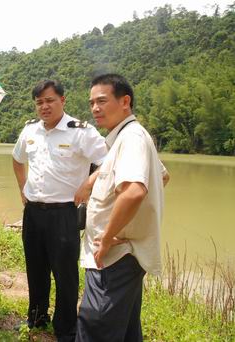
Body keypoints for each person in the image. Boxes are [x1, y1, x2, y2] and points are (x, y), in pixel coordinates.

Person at [76, 73, 170, 342]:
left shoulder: (131, 139)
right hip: (125, 253)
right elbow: (162, 176)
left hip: (113, 255)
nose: (95, 108)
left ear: (125, 101)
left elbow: (134, 191)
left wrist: (106, 238)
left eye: (102, 101)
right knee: (124, 328)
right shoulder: (127, 138)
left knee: (95, 326)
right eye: (92, 102)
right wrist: (94, 179)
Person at [12, 80, 107, 341]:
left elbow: (108, 163)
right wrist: (23, 189)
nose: (44, 106)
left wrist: (89, 183)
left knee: (65, 274)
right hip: (33, 212)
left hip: (64, 213)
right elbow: (17, 159)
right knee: (35, 267)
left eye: (50, 100)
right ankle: (36, 317)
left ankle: (65, 328)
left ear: (63, 101)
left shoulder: (81, 132)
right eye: (39, 102)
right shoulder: (30, 131)